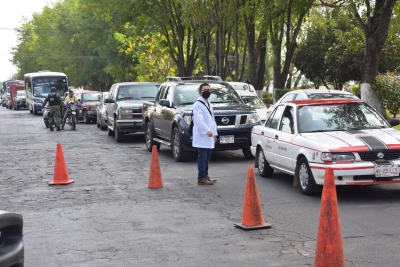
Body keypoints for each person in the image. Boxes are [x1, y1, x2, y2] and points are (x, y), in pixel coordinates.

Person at [193, 83, 218, 185]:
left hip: (210, 136)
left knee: (207, 157)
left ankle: (205, 175)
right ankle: (201, 178)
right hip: (203, 135)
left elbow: (212, 120)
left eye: (208, 89)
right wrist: (208, 131)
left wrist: (214, 134)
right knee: (202, 157)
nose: (207, 91)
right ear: (200, 92)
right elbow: (199, 120)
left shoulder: (208, 103)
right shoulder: (197, 105)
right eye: (204, 90)